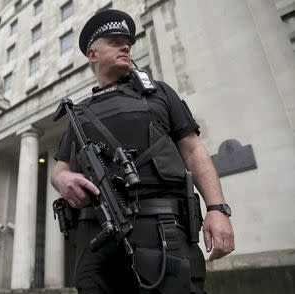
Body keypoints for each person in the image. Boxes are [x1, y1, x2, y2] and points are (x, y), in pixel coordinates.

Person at [51, 9, 235, 294]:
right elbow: (61, 167)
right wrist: (62, 180)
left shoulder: (159, 93)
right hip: (96, 239)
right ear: (92, 54)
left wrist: (217, 209)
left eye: (128, 42)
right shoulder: (79, 114)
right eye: (114, 41)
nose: (126, 46)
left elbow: (193, 151)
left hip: (163, 230)